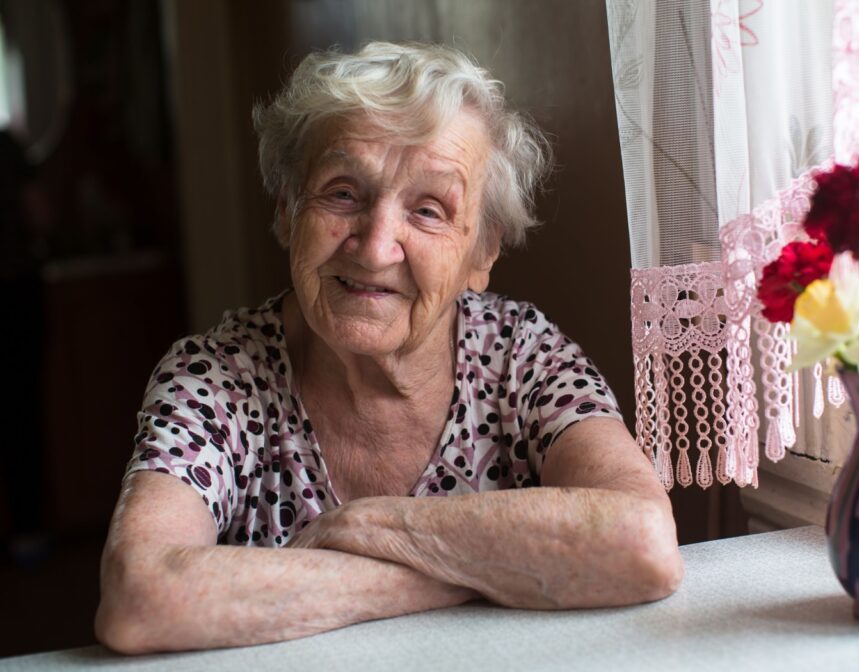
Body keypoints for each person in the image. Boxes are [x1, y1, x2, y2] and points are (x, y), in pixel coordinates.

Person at [94, 42, 682, 654]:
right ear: (287, 211)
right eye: (343, 193)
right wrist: (476, 571)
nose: (375, 248)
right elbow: (142, 595)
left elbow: (642, 543)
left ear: (482, 254)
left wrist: (367, 526)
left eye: (428, 210)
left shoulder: (522, 355)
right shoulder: (216, 377)